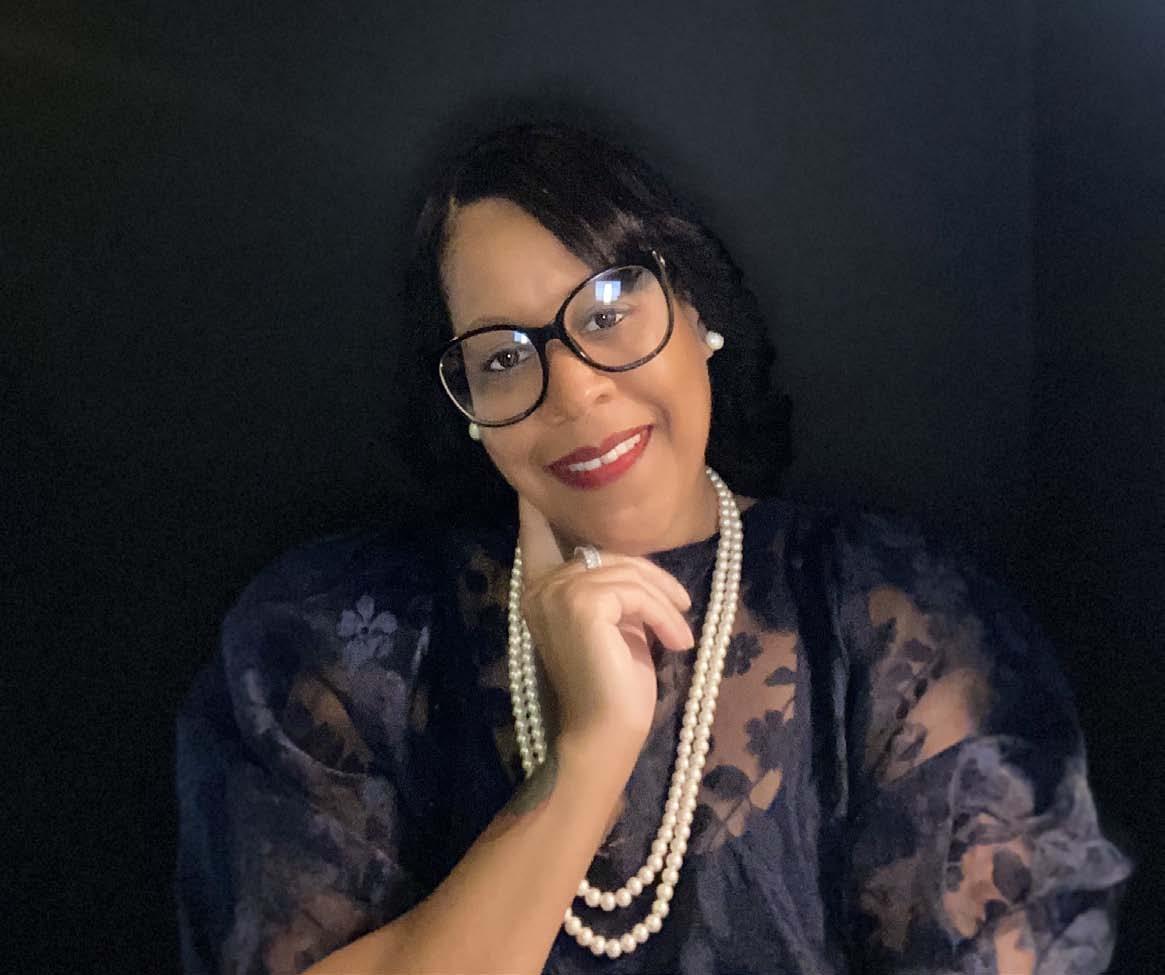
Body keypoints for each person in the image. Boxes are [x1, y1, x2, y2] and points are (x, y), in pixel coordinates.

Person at [175, 123, 1131, 974]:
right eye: (503, 356)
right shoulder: (340, 642)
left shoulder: (895, 624)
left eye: (606, 308)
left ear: (696, 311)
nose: (574, 389)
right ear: (469, 407)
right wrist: (586, 758)